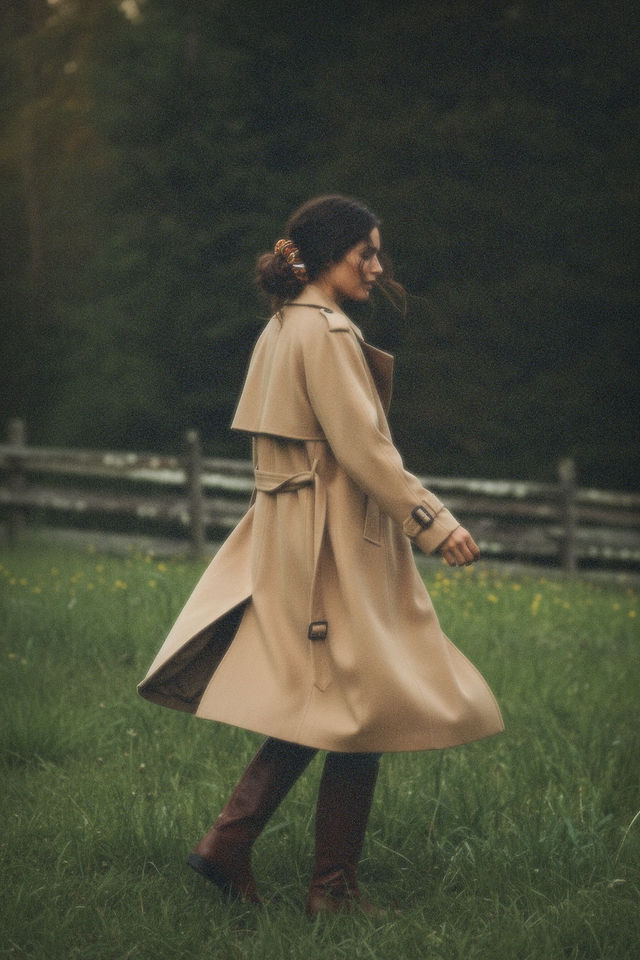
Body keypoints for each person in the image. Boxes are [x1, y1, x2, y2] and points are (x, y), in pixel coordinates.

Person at [138, 194, 503, 916]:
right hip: (332, 544)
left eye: (376, 252)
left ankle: (239, 852)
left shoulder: (280, 328)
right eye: (364, 251)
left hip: (292, 537)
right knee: (359, 706)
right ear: (329, 252)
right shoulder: (327, 333)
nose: (376, 265)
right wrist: (433, 521)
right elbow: (365, 451)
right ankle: (323, 887)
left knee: (336, 707)